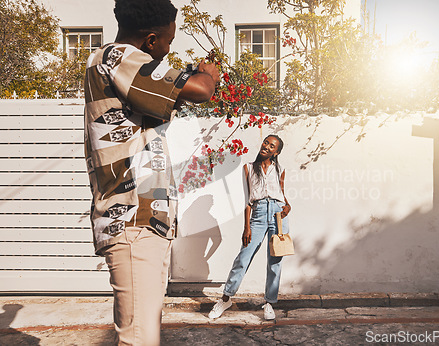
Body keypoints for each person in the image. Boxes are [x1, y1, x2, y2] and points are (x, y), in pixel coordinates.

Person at [83, 0, 220, 344]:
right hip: (132, 221)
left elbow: (165, 100)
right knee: (139, 339)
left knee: (145, 333)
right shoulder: (115, 58)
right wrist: (209, 73)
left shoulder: (120, 71)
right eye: (168, 42)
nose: (167, 51)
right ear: (150, 40)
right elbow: (201, 90)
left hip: (145, 221)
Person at [208, 135, 292, 320]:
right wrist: (247, 227)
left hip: (278, 214)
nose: (267, 147)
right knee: (243, 258)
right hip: (259, 213)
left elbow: (282, 193)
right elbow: (247, 200)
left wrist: (287, 205)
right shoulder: (248, 168)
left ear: (276, 152)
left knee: (275, 261)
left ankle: (269, 303)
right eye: (266, 143)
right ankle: (226, 298)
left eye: (272, 146)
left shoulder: (280, 169)